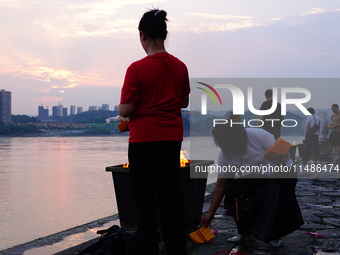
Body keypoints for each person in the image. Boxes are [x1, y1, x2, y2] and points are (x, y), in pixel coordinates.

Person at [118, 9, 190, 255]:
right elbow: (184, 102)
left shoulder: (136, 69)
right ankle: (176, 250)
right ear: (164, 34)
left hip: (143, 142)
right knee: (172, 199)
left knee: (145, 204)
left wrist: (121, 109)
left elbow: (127, 108)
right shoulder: (180, 66)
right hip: (171, 140)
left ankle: (149, 251)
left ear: (142, 36)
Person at [201, 123, 303, 248]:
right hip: (259, 176)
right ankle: (243, 232)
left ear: (236, 140)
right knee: (233, 188)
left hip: (284, 172)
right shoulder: (224, 154)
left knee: (272, 195)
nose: (225, 149)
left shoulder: (257, 135)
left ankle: (274, 235)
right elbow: (220, 185)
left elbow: (282, 158)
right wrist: (210, 214)